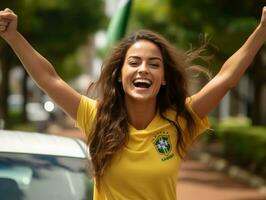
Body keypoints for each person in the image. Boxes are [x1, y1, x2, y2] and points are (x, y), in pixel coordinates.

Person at [0, 7, 265, 200]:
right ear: (119, 75)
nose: (143, 70)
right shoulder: (96, 117)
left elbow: (226, 78)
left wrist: (262, 31)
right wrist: (13, 36)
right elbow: (48, 79)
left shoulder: (181, 120)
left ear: (163, 79)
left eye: (154, 64)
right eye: (134, 63)